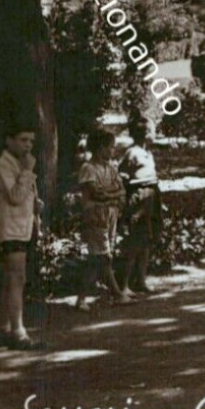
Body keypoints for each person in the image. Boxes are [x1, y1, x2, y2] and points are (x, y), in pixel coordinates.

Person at [0, 130, 44, 348]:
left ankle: (4, 327)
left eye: (31, 141)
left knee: (14, 278)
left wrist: (36, 205)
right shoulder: (3, 165)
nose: (28, 145)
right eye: (23, 140)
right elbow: (15, 196)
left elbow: (25, 197)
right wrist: (28, 172)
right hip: (10, 228)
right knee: (15, 277)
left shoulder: (20, 163)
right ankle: (18, 332)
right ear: (8, 139)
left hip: (24, 227)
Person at [76, 128, 131, 310]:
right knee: (103, 256)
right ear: (100, 148)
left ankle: (82, 298)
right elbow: (96, 193)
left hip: (110, 215)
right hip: (95, 216)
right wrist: (112, 194)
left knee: (97, 259)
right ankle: (117, 294)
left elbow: (122, 190)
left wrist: (112, 195)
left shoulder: (111, 168)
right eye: (109, 147)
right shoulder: (88, 168)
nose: (112, 151)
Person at [119, 124, 162, 295]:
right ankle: (124, 285)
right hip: (139, 196)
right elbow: (122, 174)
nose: (153, 133)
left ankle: (141, 281)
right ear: (143, 134)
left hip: (152, 194)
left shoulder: (148, 153)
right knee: (136, 239)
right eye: (150, 131)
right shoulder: (132, 152)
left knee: (147, 240)